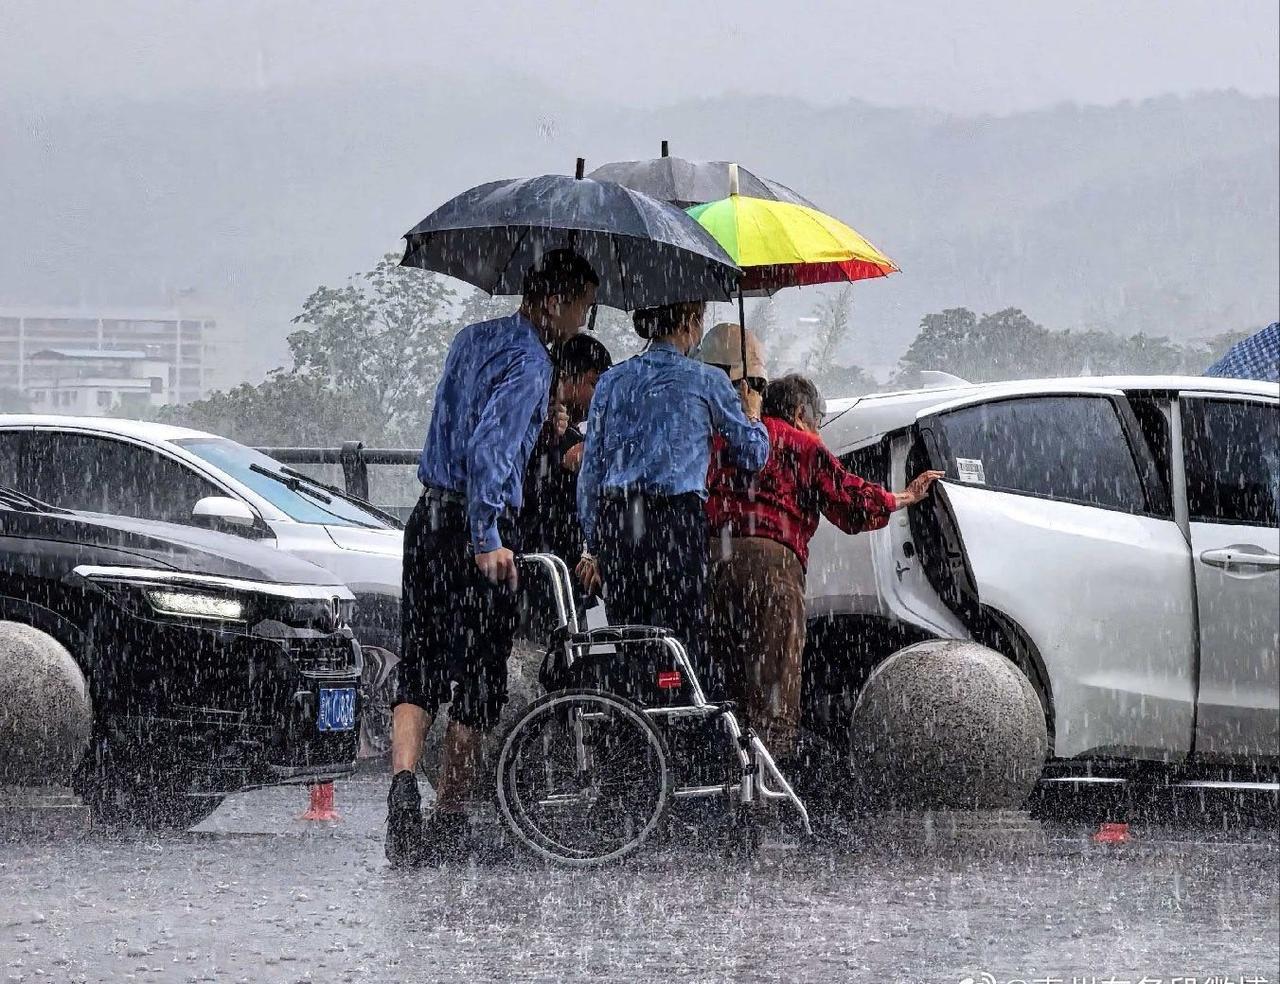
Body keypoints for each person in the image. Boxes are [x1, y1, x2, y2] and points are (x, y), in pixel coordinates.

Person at [387, 248, 599, 866]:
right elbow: (490, 452)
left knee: (421, 661)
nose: (582, 325)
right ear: (555, 304)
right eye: (582, 310)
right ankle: (449, 817)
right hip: (479, 532)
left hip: (428, 517)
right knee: (479, 678)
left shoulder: (470, 338)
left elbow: (452, 427)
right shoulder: (533, 364)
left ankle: (403, 785)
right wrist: (487, 537)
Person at [704, 371, 944, 760]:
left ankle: (724, 773)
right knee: (776, 683)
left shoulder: (727, 440)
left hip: (713, 563)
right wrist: (900, 497)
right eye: (817, 419)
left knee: (728, 678)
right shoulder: (801, 446)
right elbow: (848, 500)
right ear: (802, 414)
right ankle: (768, 791)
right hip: (772, 567)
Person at [575, 301, 770, 687]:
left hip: (621, 524)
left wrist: (593, 544)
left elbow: (591, 472)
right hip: (676, 525)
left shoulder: (612, 382)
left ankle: (634, 719)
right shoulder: (705, 381)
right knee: (679, 638)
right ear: (690, 323)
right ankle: (677, 718)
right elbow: (752, 454)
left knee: (630, 634)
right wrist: (752, 412)